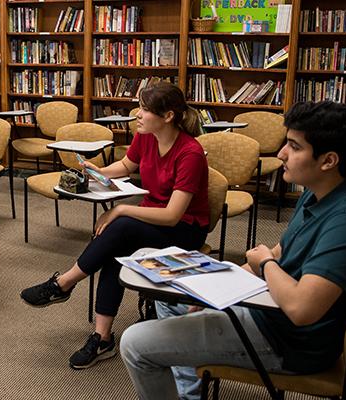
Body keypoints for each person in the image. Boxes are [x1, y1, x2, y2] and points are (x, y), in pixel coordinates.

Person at [119, 101, 346, 400]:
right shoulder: (320, 192)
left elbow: (302, 308)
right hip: (271, 310)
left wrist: (264, 265)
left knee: (135, 343)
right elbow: (280, 251)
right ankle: (190, 391)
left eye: (294, 146)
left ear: (328, 160)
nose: (281, 154)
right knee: (168, 297)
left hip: (287, 340)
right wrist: (213, 288)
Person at [19, 81, 210, 369]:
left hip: (184, 229)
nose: (137, 114)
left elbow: (172, 215)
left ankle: (63, 283)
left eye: (144, 109)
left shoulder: (190, 153)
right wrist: (99, 172)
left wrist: (121, 210)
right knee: (115, 248)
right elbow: (126, 166)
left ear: (168, 116)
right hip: (151, 220)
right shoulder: (146, 136)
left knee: (119, 226)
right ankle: (102, 336)